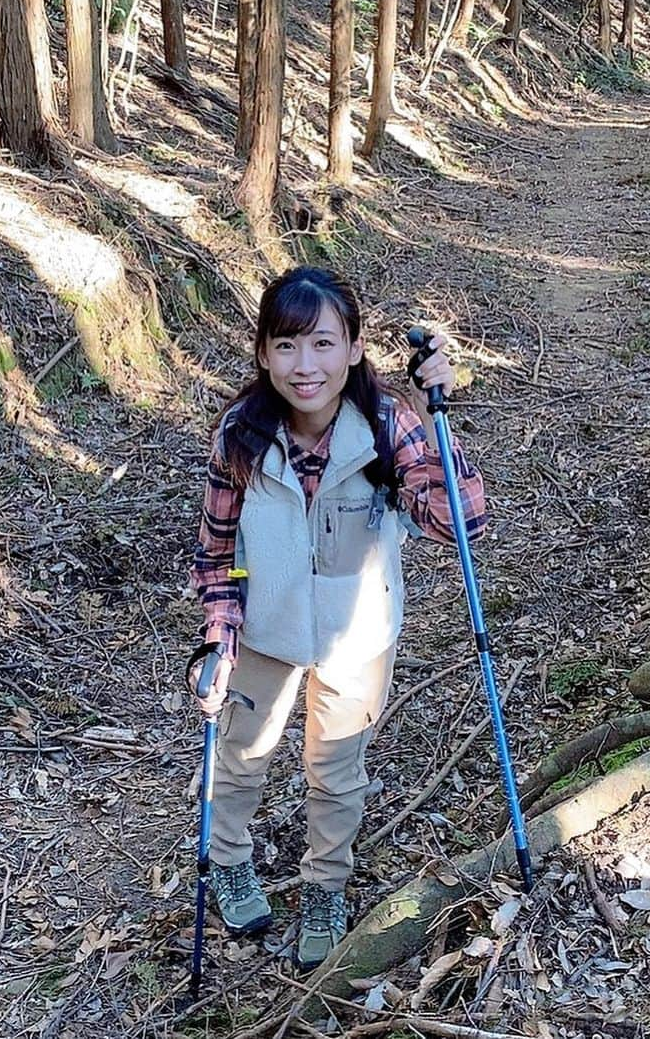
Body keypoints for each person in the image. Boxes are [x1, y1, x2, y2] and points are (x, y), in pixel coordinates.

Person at [188, 266, 486, 970]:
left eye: (323, 344)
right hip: (265, 632)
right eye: (286, 345)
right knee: (241, 760)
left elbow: (463, 523)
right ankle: (228, 860)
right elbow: (215, 553)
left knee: (337, 770)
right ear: (262, 354)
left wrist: (436, 411)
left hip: (359, 637)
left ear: (353, 348)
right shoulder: (242, 435)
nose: (305, 365)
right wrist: (218, 640)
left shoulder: (387, 424)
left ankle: (326, 885)